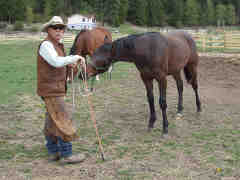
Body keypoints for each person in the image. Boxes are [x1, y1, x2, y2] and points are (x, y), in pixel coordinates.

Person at [37, 16, 85, 164]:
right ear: (48, 30)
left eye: (61, 28)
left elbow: (58, 63)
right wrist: (74, 58)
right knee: (64, 118)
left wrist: (69, 64)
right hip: (51, 89)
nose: (59, 30)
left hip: (53, 88)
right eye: (55, 27)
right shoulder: (46, 45)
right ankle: (67, 154)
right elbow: (55, 62)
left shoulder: (57, 45)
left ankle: (53, 152)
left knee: (52, 121)